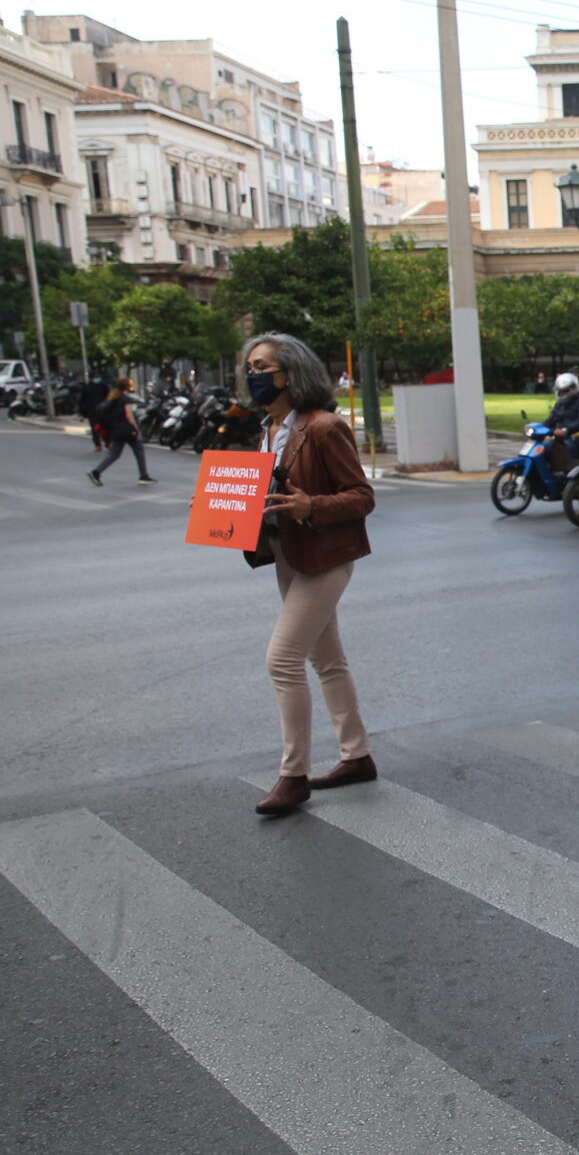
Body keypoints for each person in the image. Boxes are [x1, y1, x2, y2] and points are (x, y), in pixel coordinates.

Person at [242, 333, 378, 819]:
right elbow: (266, 494)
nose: (253, 374)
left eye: (263, 366)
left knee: (282, 660)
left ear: (289, 373)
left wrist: (311, 505)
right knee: (328, 660)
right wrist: (225, 504)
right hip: (287, 553)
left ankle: (293, 775)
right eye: (250, 366)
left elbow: (362, 497)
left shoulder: (324, 428)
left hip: (325, 555)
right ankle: (356, 756)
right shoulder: (271, 428)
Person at [85, 378, 155, 485]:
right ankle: (143, 475)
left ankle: (96, 472)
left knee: (114, 454)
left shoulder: (112, 397)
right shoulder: (125, 399)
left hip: (115, 430)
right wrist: (136, 428)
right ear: (127, 387)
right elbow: (129, 415)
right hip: (126, 430)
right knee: (139, 450)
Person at [540, 372, 579, 467]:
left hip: (578, 442)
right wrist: (539, 428)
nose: (561, 394)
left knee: (551, 448)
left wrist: (566, 430)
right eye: (560, 391)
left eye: (564, 391)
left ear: (573, 389)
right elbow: (551, 419)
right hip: (561, 440)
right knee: (540, 448)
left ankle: (563, 476)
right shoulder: (560, 404)